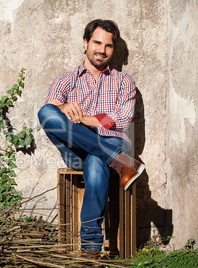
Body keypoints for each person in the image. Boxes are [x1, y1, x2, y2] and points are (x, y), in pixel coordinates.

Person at [38, 19, 145, 258]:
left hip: (113, 141)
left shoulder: (123, 82)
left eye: (108, 46)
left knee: (96, 163)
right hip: (76, 151)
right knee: (46, 113)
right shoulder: (67, 79)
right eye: (97, 43)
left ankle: (90, 247)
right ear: (85, 43)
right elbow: (51, 110)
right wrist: (64, 107)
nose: (102, 50)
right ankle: (119, 162)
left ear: (113, 49)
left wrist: (85, 118)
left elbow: (120, 120)